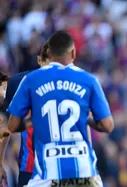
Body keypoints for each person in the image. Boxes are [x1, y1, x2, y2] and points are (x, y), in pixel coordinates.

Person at [6, 30, 114, 187]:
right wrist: (86, 119)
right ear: (73, 52)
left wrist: (32, 120)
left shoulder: (30, 80)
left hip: (47, 174)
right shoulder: (89, 80)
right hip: (84, 172)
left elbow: (12, 125)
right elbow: (107, 125)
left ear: (48, 53)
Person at [0, 43, 49, 187]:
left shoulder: (68, 86)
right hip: (29, 168)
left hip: (59, 167)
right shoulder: (18, 84)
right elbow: (5, 128)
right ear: (39, 60)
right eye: (47, 62)